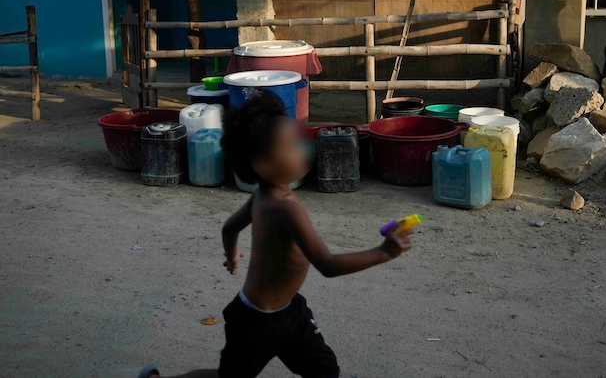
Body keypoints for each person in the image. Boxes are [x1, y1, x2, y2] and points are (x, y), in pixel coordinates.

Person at [139, 91, 414, 378]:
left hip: (290, 310)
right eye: (291, 144)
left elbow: (230, 227)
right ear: (264, 164)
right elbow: (327, 265)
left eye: (299, 139)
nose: (303, 147)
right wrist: (383, 252)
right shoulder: (285, 207)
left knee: (325, 371)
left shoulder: (263, 194)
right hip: (256, 322)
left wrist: (231, 254)